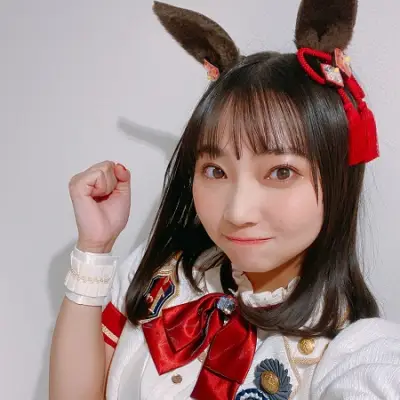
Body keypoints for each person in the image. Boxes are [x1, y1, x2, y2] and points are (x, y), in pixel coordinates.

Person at [49, 1, 400, 399]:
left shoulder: (349, 354)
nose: (237, 211)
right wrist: (94, 249)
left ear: (338, 178)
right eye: (215, 171)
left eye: (280, 172)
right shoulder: (161, 276)